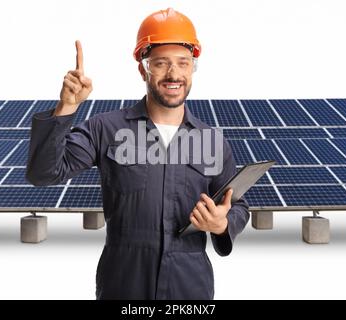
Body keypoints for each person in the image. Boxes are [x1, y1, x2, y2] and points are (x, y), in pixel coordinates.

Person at [26, 7, 249, 300]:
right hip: (123, 283)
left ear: (192, 68)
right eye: (161, 63)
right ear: (143, 67)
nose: (174, 74)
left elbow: (239, 206)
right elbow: (43, 173)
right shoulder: (104, 129)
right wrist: (66, 107)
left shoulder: (212, 141)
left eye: (183, 63)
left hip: (190, 286)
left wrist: (222, 224)